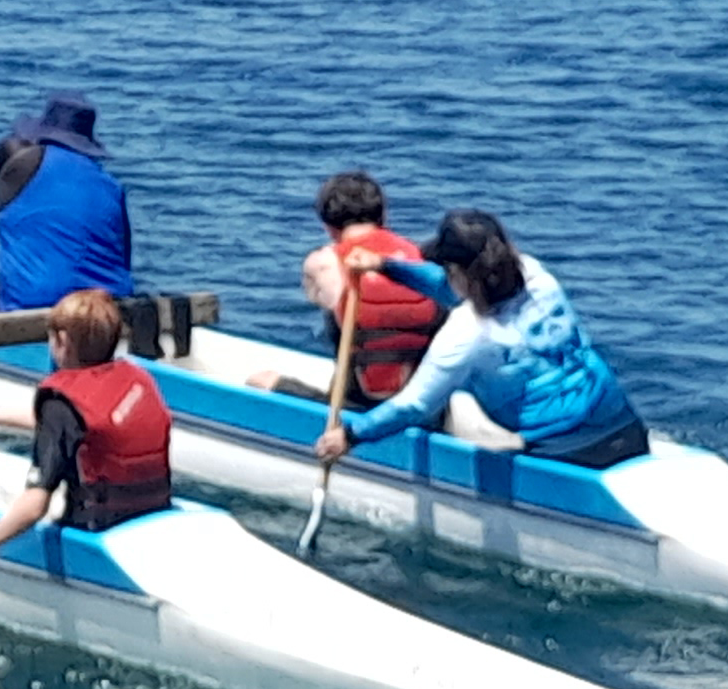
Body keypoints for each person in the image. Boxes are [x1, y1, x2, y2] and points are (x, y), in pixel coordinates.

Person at [317, 208, 650, 471]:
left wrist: (349, 435)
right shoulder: (538, 276)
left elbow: (415, 405)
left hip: (567, 457)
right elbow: (453, 289)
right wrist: (386, 266)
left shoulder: (465, 335)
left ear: (460, 274)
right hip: (628, 427)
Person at [0, 288, 180, 567]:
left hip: (95, 535)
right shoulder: (137, 379)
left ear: (62, 341)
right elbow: (71, 428)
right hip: (151, 517)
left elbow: (34, 506)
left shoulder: (61, 406)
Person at [259, 171, 441, 409]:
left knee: (260, 380)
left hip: (353, 410)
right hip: (423, 409)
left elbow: (317, 297)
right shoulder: (421, 260)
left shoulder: (325, 262)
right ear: (383, 216)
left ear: (327, 226)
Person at [0, 91, 132, 311]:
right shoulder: (111, 186)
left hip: (33, 307)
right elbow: (124, 256)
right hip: (109, 309)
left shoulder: (26, 161)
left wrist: (12, 146)